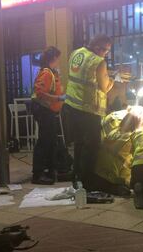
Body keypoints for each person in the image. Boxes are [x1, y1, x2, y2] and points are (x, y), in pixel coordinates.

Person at [63, 34, 114, 188]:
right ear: (99, 48)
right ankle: (88, 181)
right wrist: (113, 79)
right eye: (105, 51)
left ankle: (76, 176)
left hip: (71, 105)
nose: (106, 54)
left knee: (79, 143)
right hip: (89, 109)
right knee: (92, 145)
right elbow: (104, 87)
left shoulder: (76, 53)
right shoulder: (98, 62)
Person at [31, 46, 64, 185]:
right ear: (54, 58)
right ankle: (37, 174)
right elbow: (40, 93)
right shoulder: (46, 73)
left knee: (50, 141)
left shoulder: (51, 73)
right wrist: (58, 99)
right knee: (45, 141)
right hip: (44, 110)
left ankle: (50, 170)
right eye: (58, 58)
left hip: (48, 110)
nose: (59, 61)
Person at [92, 113, 141, 196]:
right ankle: (120, 188)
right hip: (111, 171)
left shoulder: (114, 131)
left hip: (98, 169)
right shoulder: (128, 136)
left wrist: (107, 144)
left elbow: (104, 144)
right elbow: (114, 149)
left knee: (99, 185)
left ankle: (116, 188)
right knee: (126, 178)